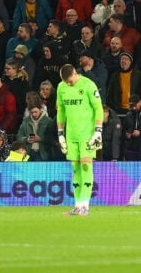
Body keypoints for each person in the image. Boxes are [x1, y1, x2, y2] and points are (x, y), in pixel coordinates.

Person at [56, 63, 103, 216]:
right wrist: (61, 133)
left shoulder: (89, 85)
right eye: (66, 82)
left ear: (75, 73)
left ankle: (85, 205)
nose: (68, 84)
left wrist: (98, 131)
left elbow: (98, 108)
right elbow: (61, 111)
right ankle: (77, 206)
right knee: (75, 169)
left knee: (85, 167)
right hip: (71, 135)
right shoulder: (61, 87)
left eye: (70, 81)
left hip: (87, 135)